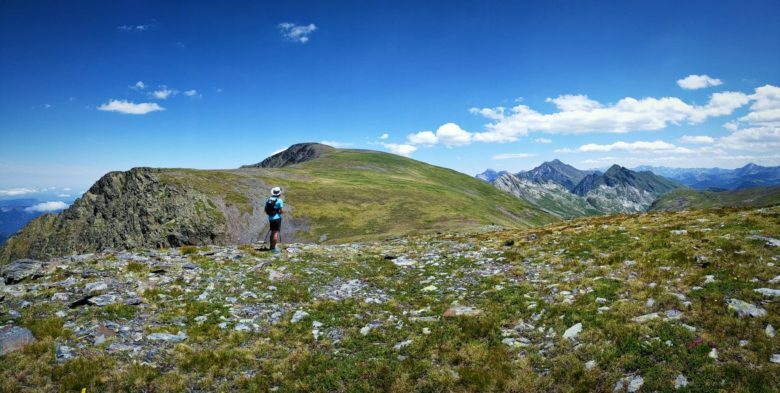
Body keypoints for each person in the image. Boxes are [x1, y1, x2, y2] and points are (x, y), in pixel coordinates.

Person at [265, 187, 284, 253]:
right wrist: (280, 212)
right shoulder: (279, 200)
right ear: (279, 194)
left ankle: (271, 247)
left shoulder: (269, 200)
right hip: (277, 218)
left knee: (272, 232)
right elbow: (281, 211)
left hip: (270, 218)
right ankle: (273, 249)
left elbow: (265, 210)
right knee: (275, 233)